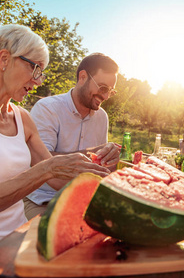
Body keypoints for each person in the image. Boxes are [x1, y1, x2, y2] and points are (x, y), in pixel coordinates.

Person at [0, 24, 110, 278]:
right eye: (34, 68)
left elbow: (56, 180)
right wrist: (47, 170)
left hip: (16, 243)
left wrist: (102, 170)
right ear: (4, 59)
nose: (38, 80)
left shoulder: (22, 118)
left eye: (41, 72)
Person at [24, 53, 121, 219]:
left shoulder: (102, 117)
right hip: (42, 199)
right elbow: (41, 161)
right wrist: (92, 151)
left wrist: (109, 158)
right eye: (102, 88)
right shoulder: (47, 109)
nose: (105, 96)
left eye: (110, 91)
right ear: (83, 77)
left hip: (83, 200)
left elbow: (99, 167)